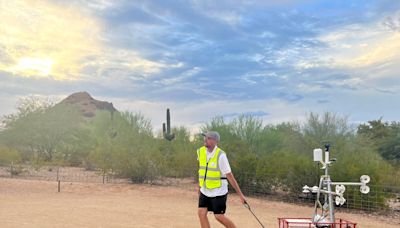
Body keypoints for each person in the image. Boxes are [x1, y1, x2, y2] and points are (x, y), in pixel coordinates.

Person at [197, 131, 246, 228]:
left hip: (218, 191)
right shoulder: (200, 151)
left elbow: (230, 176)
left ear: (215, 141)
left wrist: (241, 195)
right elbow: (202, 170)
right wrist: (199, 186)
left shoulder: (221, 155)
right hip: (205, 190)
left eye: (208, 138)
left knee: (218, 216)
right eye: (205, 137)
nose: (205, 139)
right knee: (201, 213)